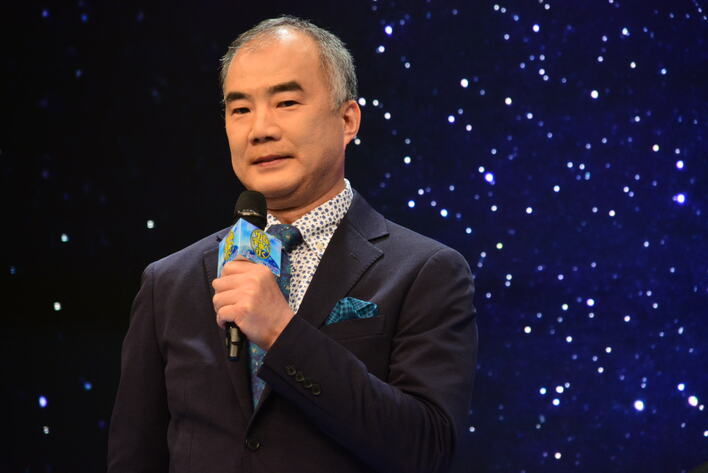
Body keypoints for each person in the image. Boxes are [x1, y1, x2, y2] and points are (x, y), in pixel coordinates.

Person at [107, 16, 477, 473]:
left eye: (285, 102)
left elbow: (426, 449)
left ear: (347, 120)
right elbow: (134, 455)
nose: (260, 129)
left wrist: (282, 333)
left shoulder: (426, 271)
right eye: (240, 110)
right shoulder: (169, 282)